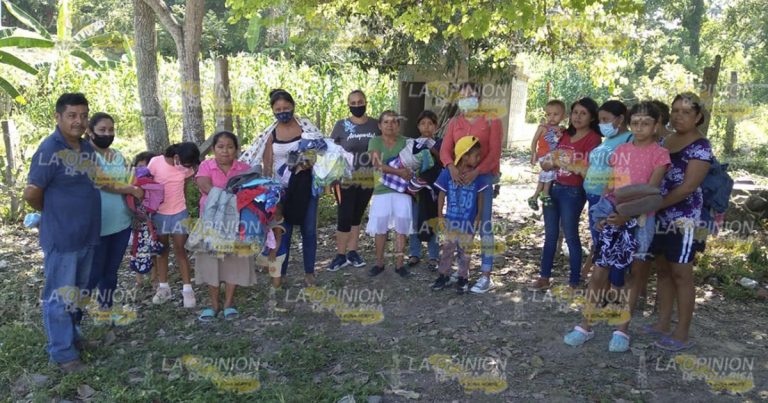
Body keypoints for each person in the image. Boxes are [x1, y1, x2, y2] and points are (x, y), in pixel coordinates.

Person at [564, 101, 670, 352]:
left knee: (634, 273)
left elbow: (652, 192)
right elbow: (611, 186)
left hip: (641, 220)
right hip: (612, 217)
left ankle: (622, 330)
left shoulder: (660, 154)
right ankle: (585, 325)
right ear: (629, 124)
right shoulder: (620, 150)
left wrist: (625, 214)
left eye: (646, 123)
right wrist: (603, 213)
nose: (640, 127)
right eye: (636, 122)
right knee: (600, 271)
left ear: (656, 125)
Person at [23, 93, 100, 373]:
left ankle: (73, 337)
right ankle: (63, 353)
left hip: (87, 234)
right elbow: (32, 193)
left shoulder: (87, 147)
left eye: (83, 115)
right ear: (58, 117)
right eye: (72, 115)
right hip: (62, 237)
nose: (79, 121)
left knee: (78, 294)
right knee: (59, 296)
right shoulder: (49, 150)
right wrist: (53, 212)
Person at [646, 93, 712, 352]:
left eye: (686, 112)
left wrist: (657, 204)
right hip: (658, 216)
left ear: (697, 117)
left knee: (681, 274)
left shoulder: (701, 146)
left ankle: (682, 332)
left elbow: (688, 187)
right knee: (663, 270)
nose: (678, 116)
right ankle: (662, 323)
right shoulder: (665, 140)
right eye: (675, 111)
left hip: (684, 219)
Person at [240, 89, 323, 286]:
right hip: (280, 190)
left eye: (286, 108)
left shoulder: (306, 128)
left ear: (293, 106)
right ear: (273, 110)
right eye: (278, 109)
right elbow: (267, 163)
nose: (283, 112)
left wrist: (307, 162)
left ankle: (309, 272)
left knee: (309, 230)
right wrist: (267, 189)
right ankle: (281, 272)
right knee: (282, 231)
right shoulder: (271, 133)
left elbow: (320, 152)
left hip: (305, 186)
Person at [530, 97, 602, 291]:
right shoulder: (563, 135)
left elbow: (586, 169)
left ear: (592, 117)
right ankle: (544, 277)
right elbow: (547, 162)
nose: (577, 117)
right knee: (550, 235)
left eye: (583, 113)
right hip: (552, 187)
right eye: (575, 112)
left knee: (571, 235)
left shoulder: (593, 139)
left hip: (573, 192)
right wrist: (549, 162)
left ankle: (574, 281)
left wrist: (562, 163)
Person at [439, 82, 503, 293]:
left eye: (472, 95)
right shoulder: (454, 122)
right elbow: (445, 150)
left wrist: (477, 171)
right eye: (463, 96)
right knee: (460, 225)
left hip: (482, 178)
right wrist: (451, 167)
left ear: (479, 97)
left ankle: (486, 275)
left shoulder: (491, 120)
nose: (467, 99)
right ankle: (460, 271)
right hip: (459, 180)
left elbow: (494, 153)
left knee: (483, 224)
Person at [84, 113, 144, 325]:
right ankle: (73, 318)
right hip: (97, 225)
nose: (107, 134)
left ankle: (105, 311)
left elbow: (130, 179)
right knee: (93, 273)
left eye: (111, 130)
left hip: (121, 223)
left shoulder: (118, 155)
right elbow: (102, 182)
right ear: (90, 131)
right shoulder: (85, 155)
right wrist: (131, 189)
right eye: (102, 130)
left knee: (110, 272)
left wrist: (137, 186)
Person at [194, 131, 254, 321]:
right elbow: (204, 185)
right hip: (210, 223)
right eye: (220, 147)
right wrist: (229, 197)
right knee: (211, 262)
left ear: (236, 149)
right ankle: (213, 304)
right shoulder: (206, 166)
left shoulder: (245, 169)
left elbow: (252, 192)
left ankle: (228, 303)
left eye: (230, 147)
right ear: (213, 149)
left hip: (236, 224)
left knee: (233, 262)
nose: (225, 151)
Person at [328, 89, 379, 271]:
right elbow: (331, 151)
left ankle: (352, 252)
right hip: (345, 178)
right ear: (349, 105)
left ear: (366, 102)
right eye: (353, 103)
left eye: (360, 102)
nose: (357, 105)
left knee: (357, 216)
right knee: (344, 216)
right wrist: (330, 177)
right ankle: (340, 255)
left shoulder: (375, 125)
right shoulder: (341, 125)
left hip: (367, 178)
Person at [430, 136, 488, 293]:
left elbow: (481, 196)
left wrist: (478, 217)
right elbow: (441, 194)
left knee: (465, 252)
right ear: (464, 156)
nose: (479, 159)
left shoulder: (477, 176)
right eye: (476, 155)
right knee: (447, 250)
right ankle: (443, 275)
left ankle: (463, 278)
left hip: (468, 222)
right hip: (451, 221)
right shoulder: (448, 173)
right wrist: (440, 215)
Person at [148, 142, 200, 307]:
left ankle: (187, 289)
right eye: (186, 164)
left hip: (179, 213)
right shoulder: (156, 162)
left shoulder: (186, 169)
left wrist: (185, 206)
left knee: (180, 250)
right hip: (159, 214)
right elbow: (147, 184)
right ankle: (164, 287)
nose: (187, 167)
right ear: (176, 157)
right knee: (162, 250)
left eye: (189, 165)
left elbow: (184, 186)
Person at [366, 110, 412, 277]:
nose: (390, 125)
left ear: (398, 125)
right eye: (386, 122)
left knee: (401, 227)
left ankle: (399, 265)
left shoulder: (407, 142)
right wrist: (399, 172)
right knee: (380, 228)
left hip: (403, 190)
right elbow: (377, 164)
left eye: (394, 121)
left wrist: (406, 171)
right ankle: (379, 263)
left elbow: (413, 164)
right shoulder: (375, 141)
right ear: (380, 125)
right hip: (381, 190)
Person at [583, 100, 633, 250]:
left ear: (620, 118)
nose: (602, 124)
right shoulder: (607, 140)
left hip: (607, 199)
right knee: (597, 240)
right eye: (600, 120)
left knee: (606, 244)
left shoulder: (630, 139)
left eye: (606, 119)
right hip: (593, 196)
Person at [407, 110, 442, 270]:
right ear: (418, 126)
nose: (426, 127)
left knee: (433, 220)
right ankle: (414, 253)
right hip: (416, 189)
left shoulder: (440, 143)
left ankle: (433, 256)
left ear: (436, 126)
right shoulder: (413, 144)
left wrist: (432, 146)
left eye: (430, 124)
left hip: (435, 190)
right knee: (415, 219)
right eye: (423, 124)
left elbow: (444, 160)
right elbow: (409, 163)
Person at [528, 100, 566, 210]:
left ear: (563, 116)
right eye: (549, 114)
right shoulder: (543, 127)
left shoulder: (560, 129)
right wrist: (533, 154)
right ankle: (545, 194)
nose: (551, 117)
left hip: (552, 155)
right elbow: (534, 141)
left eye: (555, 114)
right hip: (544, 155)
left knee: (544, 175)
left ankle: (534, 197)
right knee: (550, 172)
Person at [131, 151, 158, 289]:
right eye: (139, 166)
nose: (141, 170)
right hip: (136, 221)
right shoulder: (131, 182)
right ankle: (139, 281)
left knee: (152, 250)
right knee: (135, 249)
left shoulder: (154, 184)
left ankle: (154, 279)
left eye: (144, 167)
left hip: (151, 222)